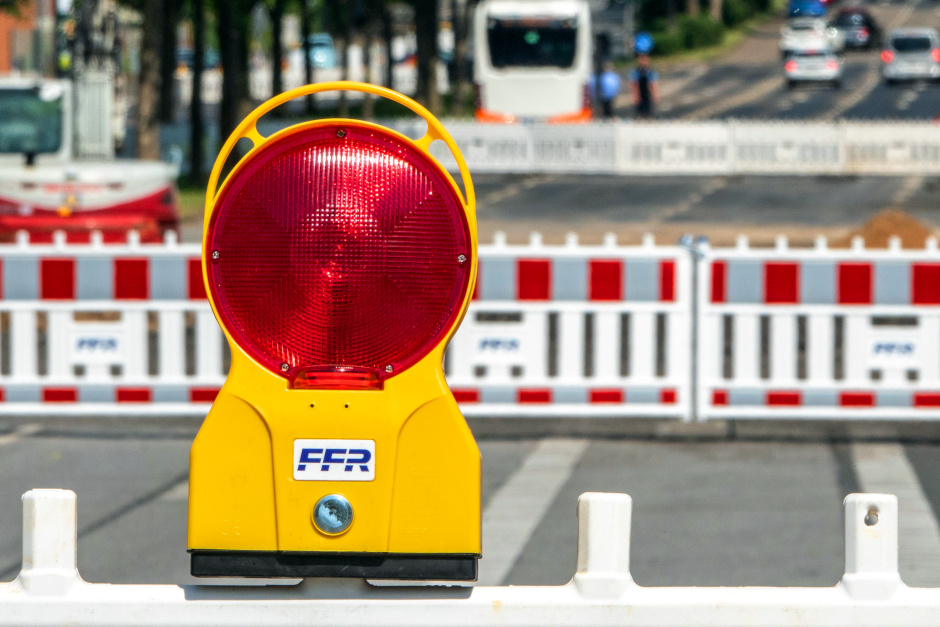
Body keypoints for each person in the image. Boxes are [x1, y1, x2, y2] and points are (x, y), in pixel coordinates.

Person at [629, 54, 659, 120]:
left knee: (648, 109)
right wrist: (634, 95)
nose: (644, 62)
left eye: (646, 60)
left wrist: (655, 94)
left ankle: (647, 118)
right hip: (639, 92)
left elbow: (653, 84)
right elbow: (634, 84)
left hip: (647, 93)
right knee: (639, 110)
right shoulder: (636, 72)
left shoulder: (650, 72)